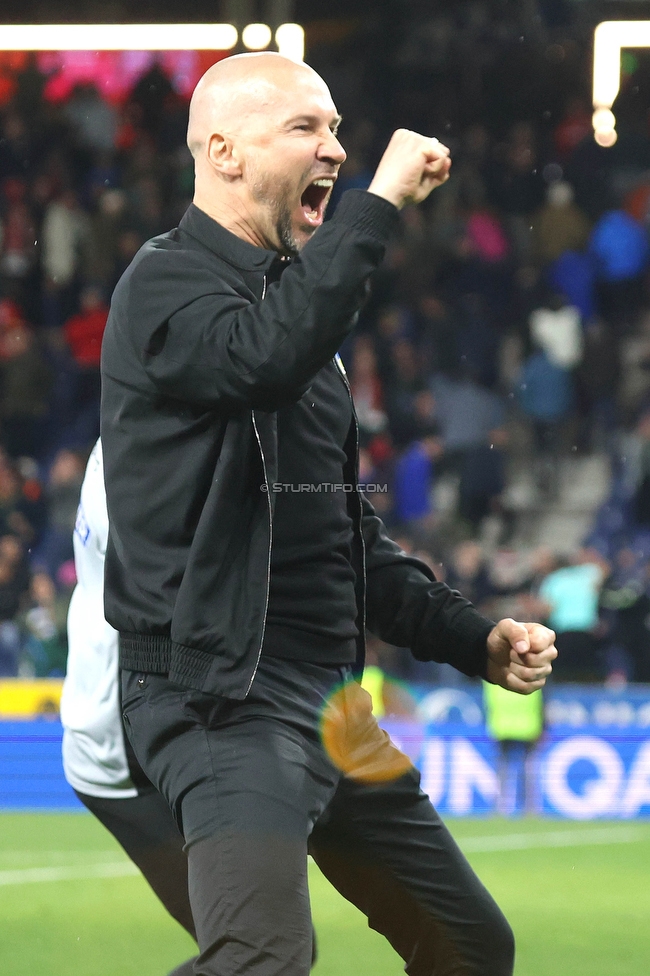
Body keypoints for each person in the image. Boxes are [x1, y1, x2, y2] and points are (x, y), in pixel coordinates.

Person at [101, 53, 557, 976]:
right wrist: (378, 208)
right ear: (223, 151)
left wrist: (474, 639)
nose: (338, 150)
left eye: (339, 130)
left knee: (471, 945)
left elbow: (349, 541)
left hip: (334, 710)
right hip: (221, 698)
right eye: (307, 129)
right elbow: (265, 357)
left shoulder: (300, 322)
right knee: (262, 957)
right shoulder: (167, 285)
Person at [60, 440, 198, 976]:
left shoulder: (119, 431)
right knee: (260, 947)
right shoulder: (142, 459)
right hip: (123, 748)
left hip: (119, 716)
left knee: (268, 946)